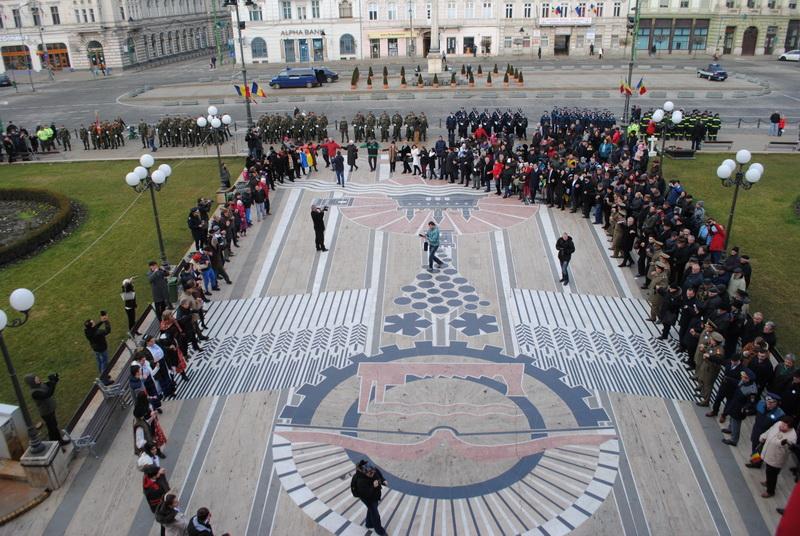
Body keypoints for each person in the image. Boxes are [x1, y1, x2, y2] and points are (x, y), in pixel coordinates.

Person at [24, 373, 69, 445]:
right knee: (52, 428)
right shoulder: (35, 393)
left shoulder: (41, 385)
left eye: (37, 377)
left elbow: (50, 385)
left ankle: (58, 441)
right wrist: (53, 383)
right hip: (46, 413)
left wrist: (54, 379)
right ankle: (56, 443)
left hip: (50, 410)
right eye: (36, 378)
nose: (38, 378)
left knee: (53, 426)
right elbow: (48, 394)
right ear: (32, 382)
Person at [758, 417, 797, 498]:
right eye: (782, 423)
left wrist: (783, 444)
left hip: (776, 459)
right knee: (769, 471)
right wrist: (764, 436)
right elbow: (770, 430)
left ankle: (770, 491)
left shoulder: (792, 437)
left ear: (790, 427)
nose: (782, 426)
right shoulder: (778, 424)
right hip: (769, 453)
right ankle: (768, 481)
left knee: (772, 474)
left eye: (785, 426)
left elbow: (788, 450)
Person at [351, 460, 387, 536]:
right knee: (375, 514)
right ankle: (379, 530)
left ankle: (369, 524)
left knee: (372, 510)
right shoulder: (361, 481)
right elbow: (366, 494)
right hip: (368, 499)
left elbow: (377, 471)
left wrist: (383, 480)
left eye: (373, 472)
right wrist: (373, 486)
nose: (373, 474)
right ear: (365, 472)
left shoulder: (370, 469)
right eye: (371, 473)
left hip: (375, 495)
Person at [84, 312, 112, 383]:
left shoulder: (87, 331)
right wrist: (106, 321)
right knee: (104, 364)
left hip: (95, 349)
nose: (94, 322)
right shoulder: (98, 333)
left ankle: (103, 375)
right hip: (102, 349)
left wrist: (101, 321)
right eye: (93, 322)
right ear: (92, 325)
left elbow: (94, 327)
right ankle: (105, 380)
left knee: (99, 362)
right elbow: (107, 331)